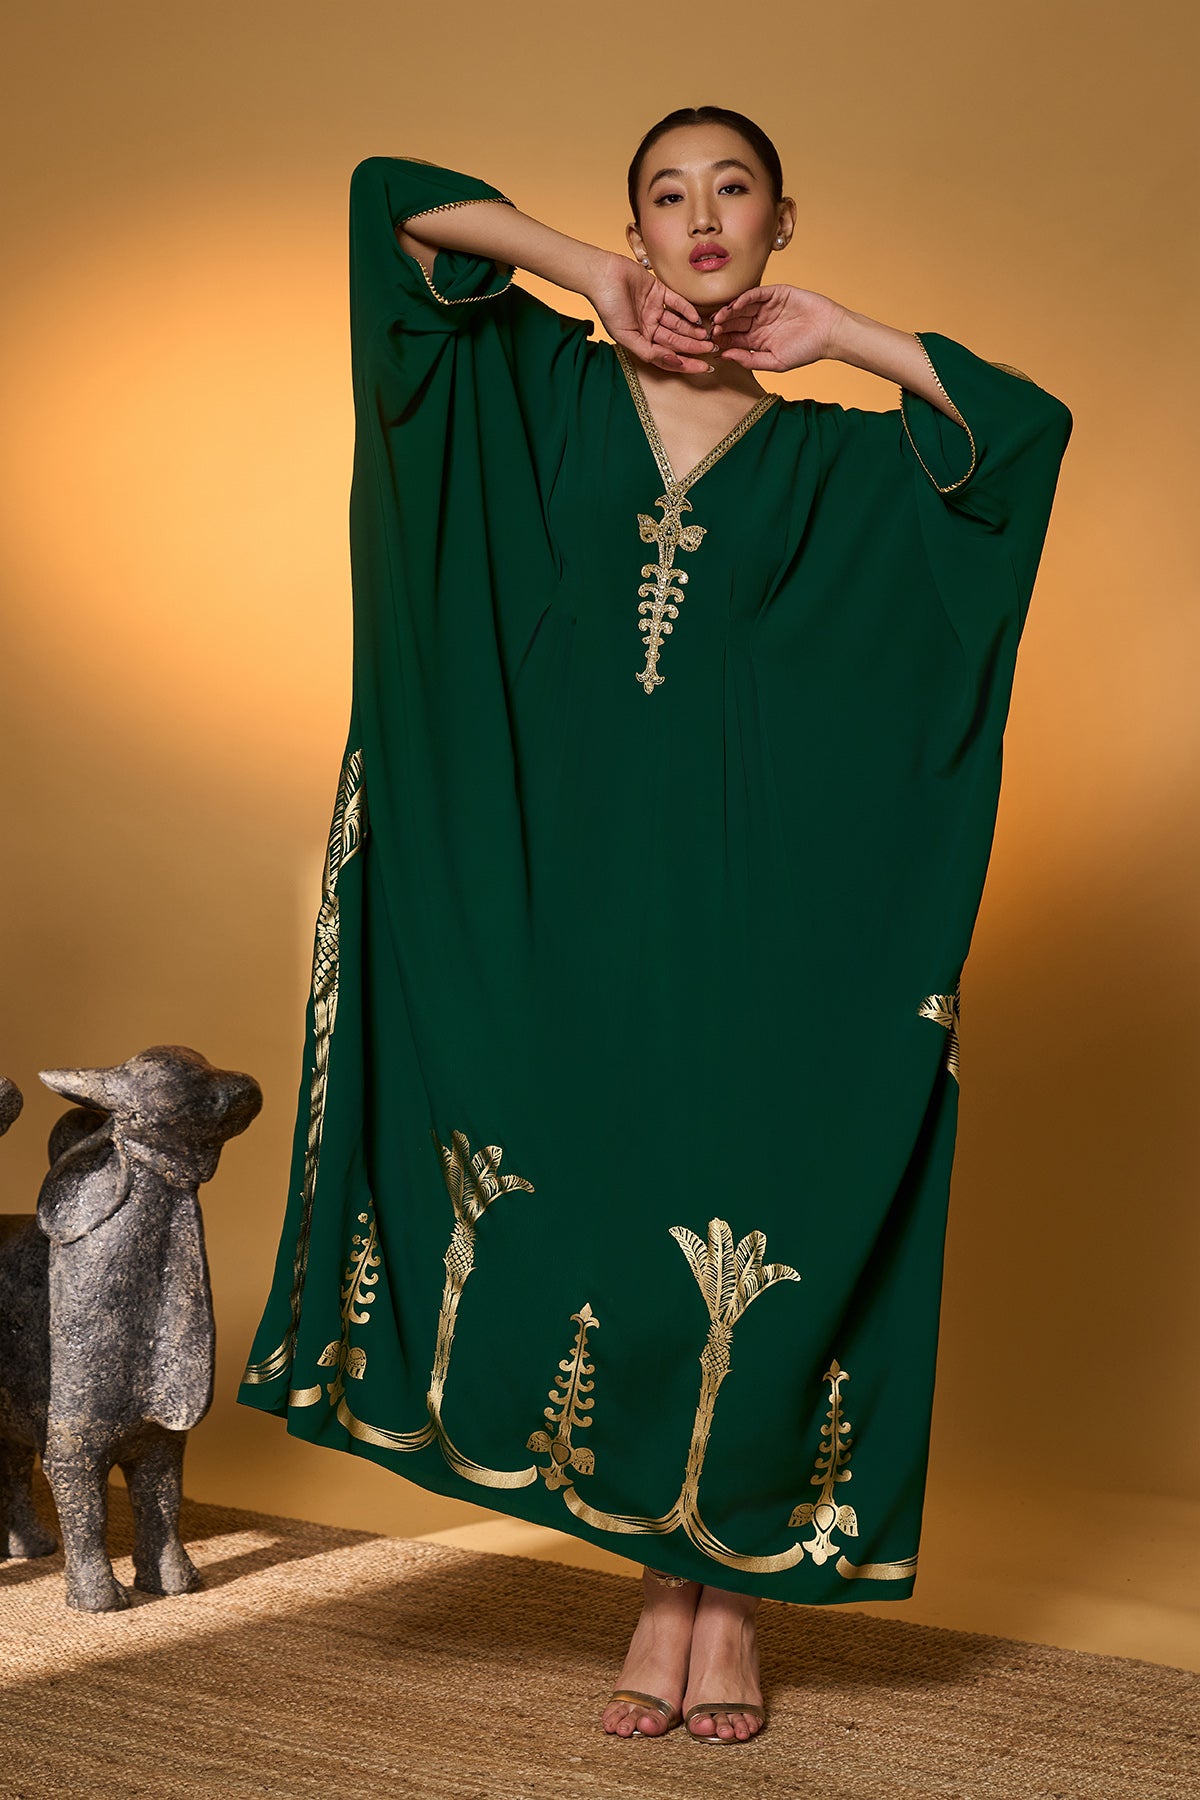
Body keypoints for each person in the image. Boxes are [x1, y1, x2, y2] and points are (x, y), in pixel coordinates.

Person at [237, 104, 1073, 1747]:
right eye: (666, 196)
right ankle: (656, 1583)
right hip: (559, 896)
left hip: (760, 919)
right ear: (636, 226)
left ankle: (722, 1600)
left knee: (742, 1204)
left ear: (779, 223)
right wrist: (578, 273)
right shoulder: (543, 383)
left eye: (732, 191)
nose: (701, 219)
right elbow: (395, 208)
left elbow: (1022, 438)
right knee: (601, 1212)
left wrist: (847, 340)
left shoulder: (832, 459)